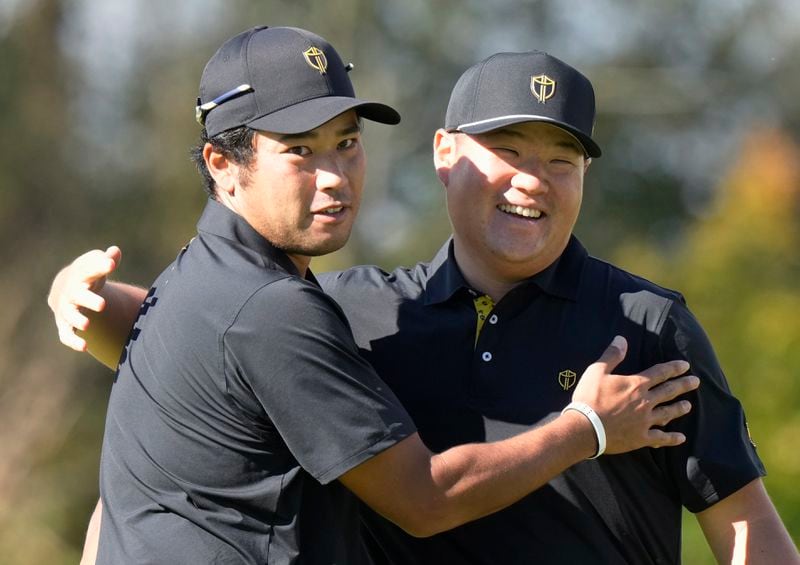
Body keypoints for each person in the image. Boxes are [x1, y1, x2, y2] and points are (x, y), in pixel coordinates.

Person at [49, 27, 702, 565]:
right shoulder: (271, 308)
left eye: (348, 144)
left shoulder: (197, 281)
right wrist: (584, 427)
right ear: (223, 163)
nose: (335, 178)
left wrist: (82, 299)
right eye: (301, 151)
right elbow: (425, 498)